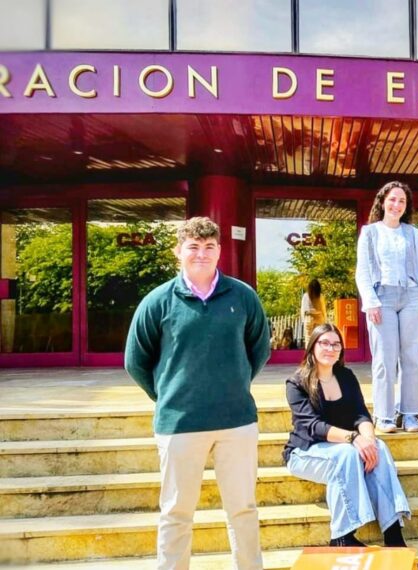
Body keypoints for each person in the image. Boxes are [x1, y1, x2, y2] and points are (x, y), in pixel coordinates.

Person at [124, 217, 271, 570]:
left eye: (209, 247)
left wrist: (233, 384)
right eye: (193, 247)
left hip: (236, 422)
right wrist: (170, 395)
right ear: (179, 252)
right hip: (179, 425)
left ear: (220, 251)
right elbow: (136, 361)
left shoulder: (243, 296)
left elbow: (259, 349)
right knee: (176, 512)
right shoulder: (158, 301)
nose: (201, 254)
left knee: (243, 510)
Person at [283, 323, 411, 547]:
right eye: (324, 343)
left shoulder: (346, 376)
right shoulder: (296, 383)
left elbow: (361, 414)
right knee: (346, 455)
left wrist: (368, 441)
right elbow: (314, 426)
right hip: (305, 452)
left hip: (343, 448)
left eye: (336, 344)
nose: (330, 348)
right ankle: (342, 536)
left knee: (379, 447)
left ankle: (392, 531)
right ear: (312, 346)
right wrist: (354, 438)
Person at [355, 181, 418, 433]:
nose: (396, 205)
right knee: (384, 360)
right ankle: (384, 415)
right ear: (382, 201)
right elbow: (363, 271)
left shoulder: (412, 233)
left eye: (402, 201)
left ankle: (411, 414)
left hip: (412, 296)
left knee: (412, 358)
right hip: (382, 298)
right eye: (392, 199)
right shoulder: (370, 232)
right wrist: (370, 302)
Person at [301, 278, 327, 345]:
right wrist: (325, 319)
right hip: (319, 318)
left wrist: (304, 320)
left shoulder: (306, 296)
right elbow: (323, 309)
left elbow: (304, 309)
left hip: (309, 318)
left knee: (308, 339)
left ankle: (309, 354)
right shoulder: (320, 296)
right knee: (319, 338)